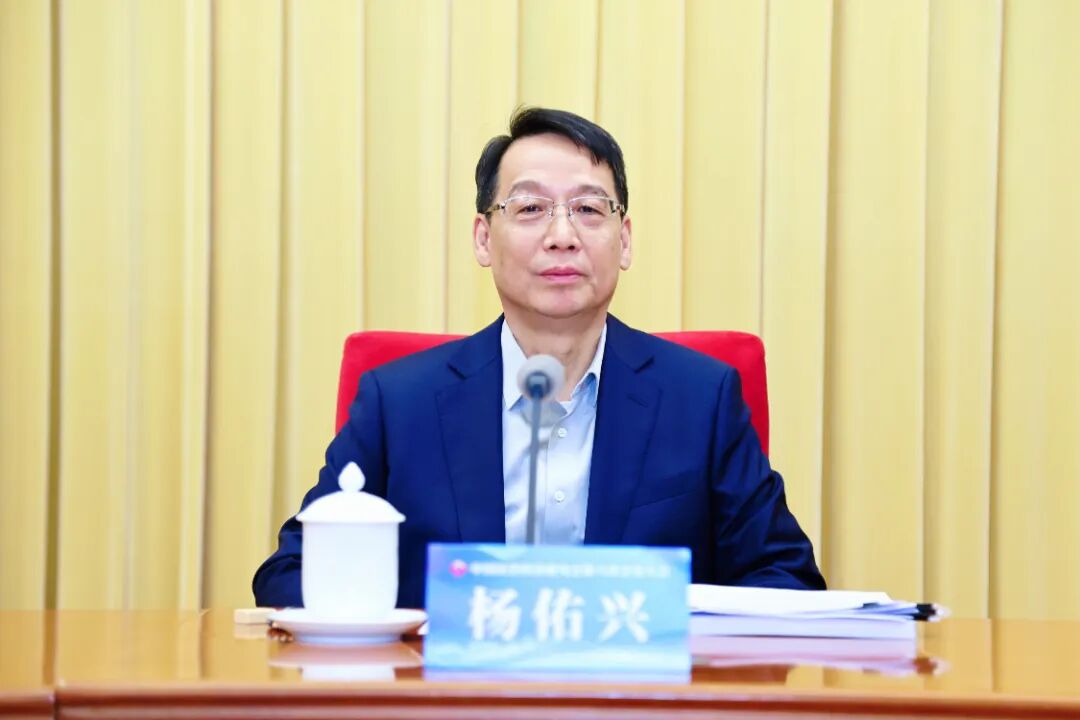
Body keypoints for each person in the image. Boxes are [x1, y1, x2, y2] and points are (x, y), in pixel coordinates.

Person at [253, 107, 824, 609]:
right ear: (483, 238)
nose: (562, 235)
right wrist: (438, 626)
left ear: (625, 240)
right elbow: (290, 573)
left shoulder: (701, 398)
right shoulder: (398, 402)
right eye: (530, 208)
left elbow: (785, 578)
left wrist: (671, 628)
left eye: (589, 209)